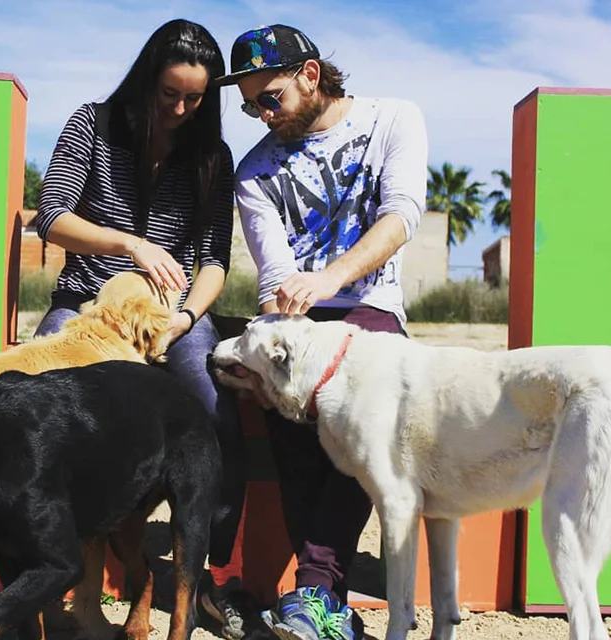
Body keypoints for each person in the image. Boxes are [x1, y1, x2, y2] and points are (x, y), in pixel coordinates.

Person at [34, 18, 257, 640]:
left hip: (172, 316)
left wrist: (186, 318)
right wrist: (129, 244)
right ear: (146, 79)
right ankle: (28, 572)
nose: (182, 108)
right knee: (32, 404)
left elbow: (214, 260)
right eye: (170, 95)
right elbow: (50, 217)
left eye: (195, 98)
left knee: (215, 413)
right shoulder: (92, 124)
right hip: (88, 305)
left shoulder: (212, 156)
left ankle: (207, 574)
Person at [214, 23, 429, 640]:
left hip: (369, 307)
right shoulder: (253, 172)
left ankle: (312, 592)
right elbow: (275, 270)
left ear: (310, 74)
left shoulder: (393, 120)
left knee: (348, 402)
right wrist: (277, 344)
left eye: (270, 97)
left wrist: (332, 277)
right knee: (290, 412)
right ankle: (321, 604)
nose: (261, 114)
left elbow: (402, 215)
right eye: (251, 104)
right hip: (300, 319)